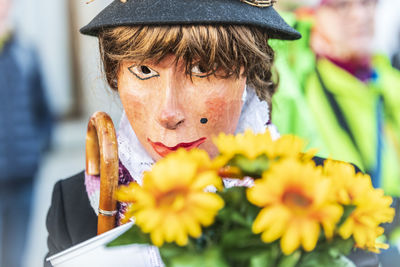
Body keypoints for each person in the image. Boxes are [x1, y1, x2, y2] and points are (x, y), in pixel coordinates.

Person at [45, 1, 378, 266]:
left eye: (202, 69)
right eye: (145, 70)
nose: (168, 112)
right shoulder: (73, 207)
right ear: (115, 75)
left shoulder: (336, 196)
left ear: (249, 74)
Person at [271, 0, 400, 196]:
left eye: (367, 3)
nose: (359, 16)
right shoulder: (297, 76)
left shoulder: (390, 83)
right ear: (312, 13)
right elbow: (268, 39)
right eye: (341, 5)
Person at [0, 0, 53, 267]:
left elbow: (43, 108)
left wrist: (37, 147)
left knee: (14, 255)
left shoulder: (25, 51)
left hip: (23, 174)